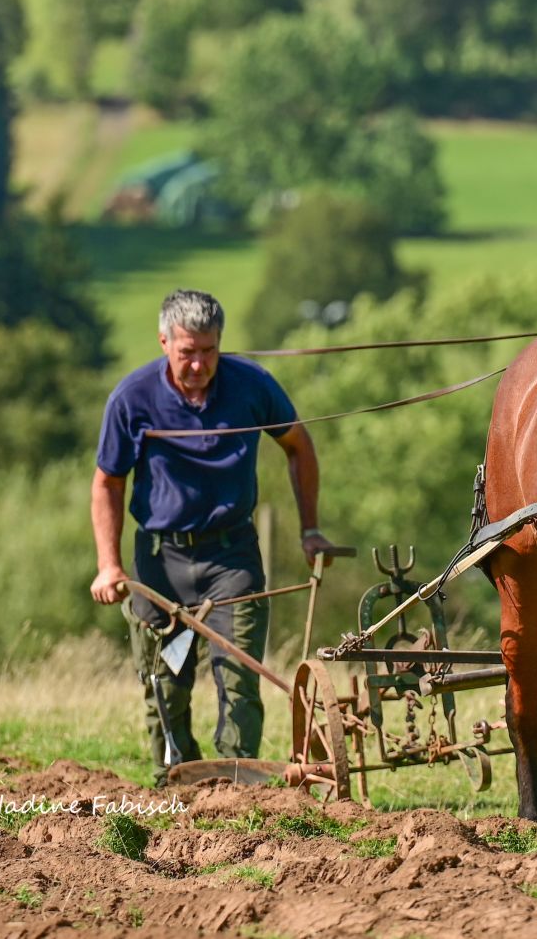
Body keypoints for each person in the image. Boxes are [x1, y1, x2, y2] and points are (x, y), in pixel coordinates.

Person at [88, 288, 337, 783]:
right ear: (164, 342)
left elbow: (298, 445)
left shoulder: (251, 386)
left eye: (209, 351)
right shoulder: (131, 399)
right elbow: (107, 483)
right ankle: (176, 778)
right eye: (187, 353)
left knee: (239, 676)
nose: (200, 365)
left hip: (232, 558)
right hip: (160, 561)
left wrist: (310, 528)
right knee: (165, 679)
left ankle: (237, 783)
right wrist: (108, 563)